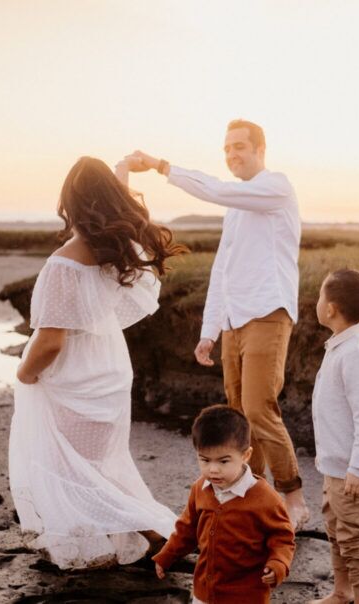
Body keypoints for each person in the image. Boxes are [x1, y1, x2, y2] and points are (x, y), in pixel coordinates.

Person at [128, 119, 310, 528]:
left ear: (260, 149)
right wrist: (209, 331)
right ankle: (253, 496)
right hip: (233, 322)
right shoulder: (236, 209)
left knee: (259, 409)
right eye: (227, 149)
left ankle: (294, 498)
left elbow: (217, 189)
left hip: (268, 312)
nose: (232, 155)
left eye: (239, 147)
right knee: (238, 416)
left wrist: (161, 166)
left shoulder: (275, 187)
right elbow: (223, 271)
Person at [9, 156, 186, 569]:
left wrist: (24, 372)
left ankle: (158, 534)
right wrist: (119, 174)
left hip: (73, 378)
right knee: (99, 463)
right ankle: (136, 535)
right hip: (108, 369)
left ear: (70, 203)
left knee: (72, 467)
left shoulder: (63, 264)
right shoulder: (120, 254)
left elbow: (50, 342)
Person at [152, 405, 295, 604]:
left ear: (246, 455)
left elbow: (282, 538)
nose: (213, 469)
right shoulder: (200, 489)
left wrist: (278, 563)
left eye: (223, 461)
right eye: (205, 460)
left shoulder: (266, 498)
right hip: (204, 591)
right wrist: (167, 555)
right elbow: (186, 529)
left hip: (246, 596)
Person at [308, 269, 359, 604]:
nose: (317, 302)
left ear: (331, 309)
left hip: (353, 473)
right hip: (336, 468)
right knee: (335, 532)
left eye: (320, 296)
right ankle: (342, 592)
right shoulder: (340, 346)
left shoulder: (354, 352)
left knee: (354, 540)